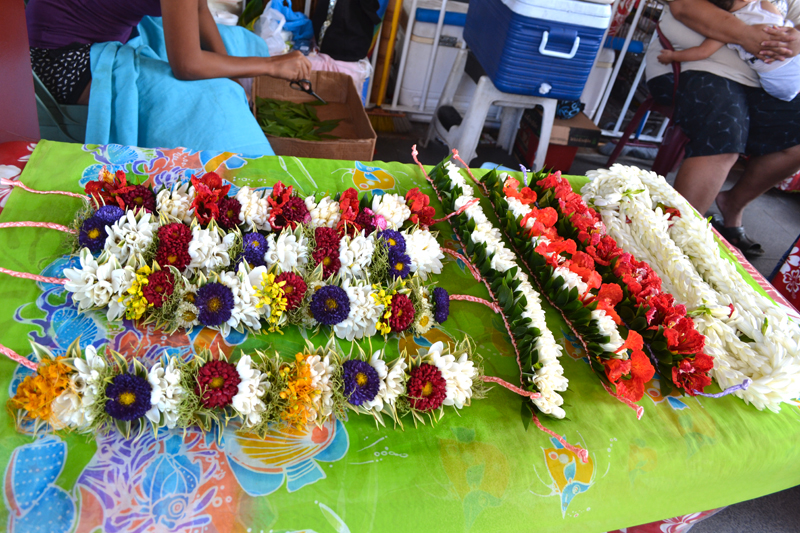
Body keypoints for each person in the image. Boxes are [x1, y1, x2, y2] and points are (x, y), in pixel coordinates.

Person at [645, 0, 800, 257]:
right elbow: (683, 6)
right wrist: (746, 34)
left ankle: (732, 204)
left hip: (761, 82)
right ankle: (668, 242)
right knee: (724, 129)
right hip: (691, 65)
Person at [26, 0, 312, 106]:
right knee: (200, 102)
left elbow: (198, 7)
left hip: (97, 38)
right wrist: (271, 65)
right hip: (58, 59)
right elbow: (186, 65)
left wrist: (235, 78)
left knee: (236, 45)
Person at [658, 0, 800, 102]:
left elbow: (702, 52)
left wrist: (672, 56)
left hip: (776, 82)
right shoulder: (764, 6)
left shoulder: (727, 26)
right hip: (721, 79)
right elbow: (680, 6)